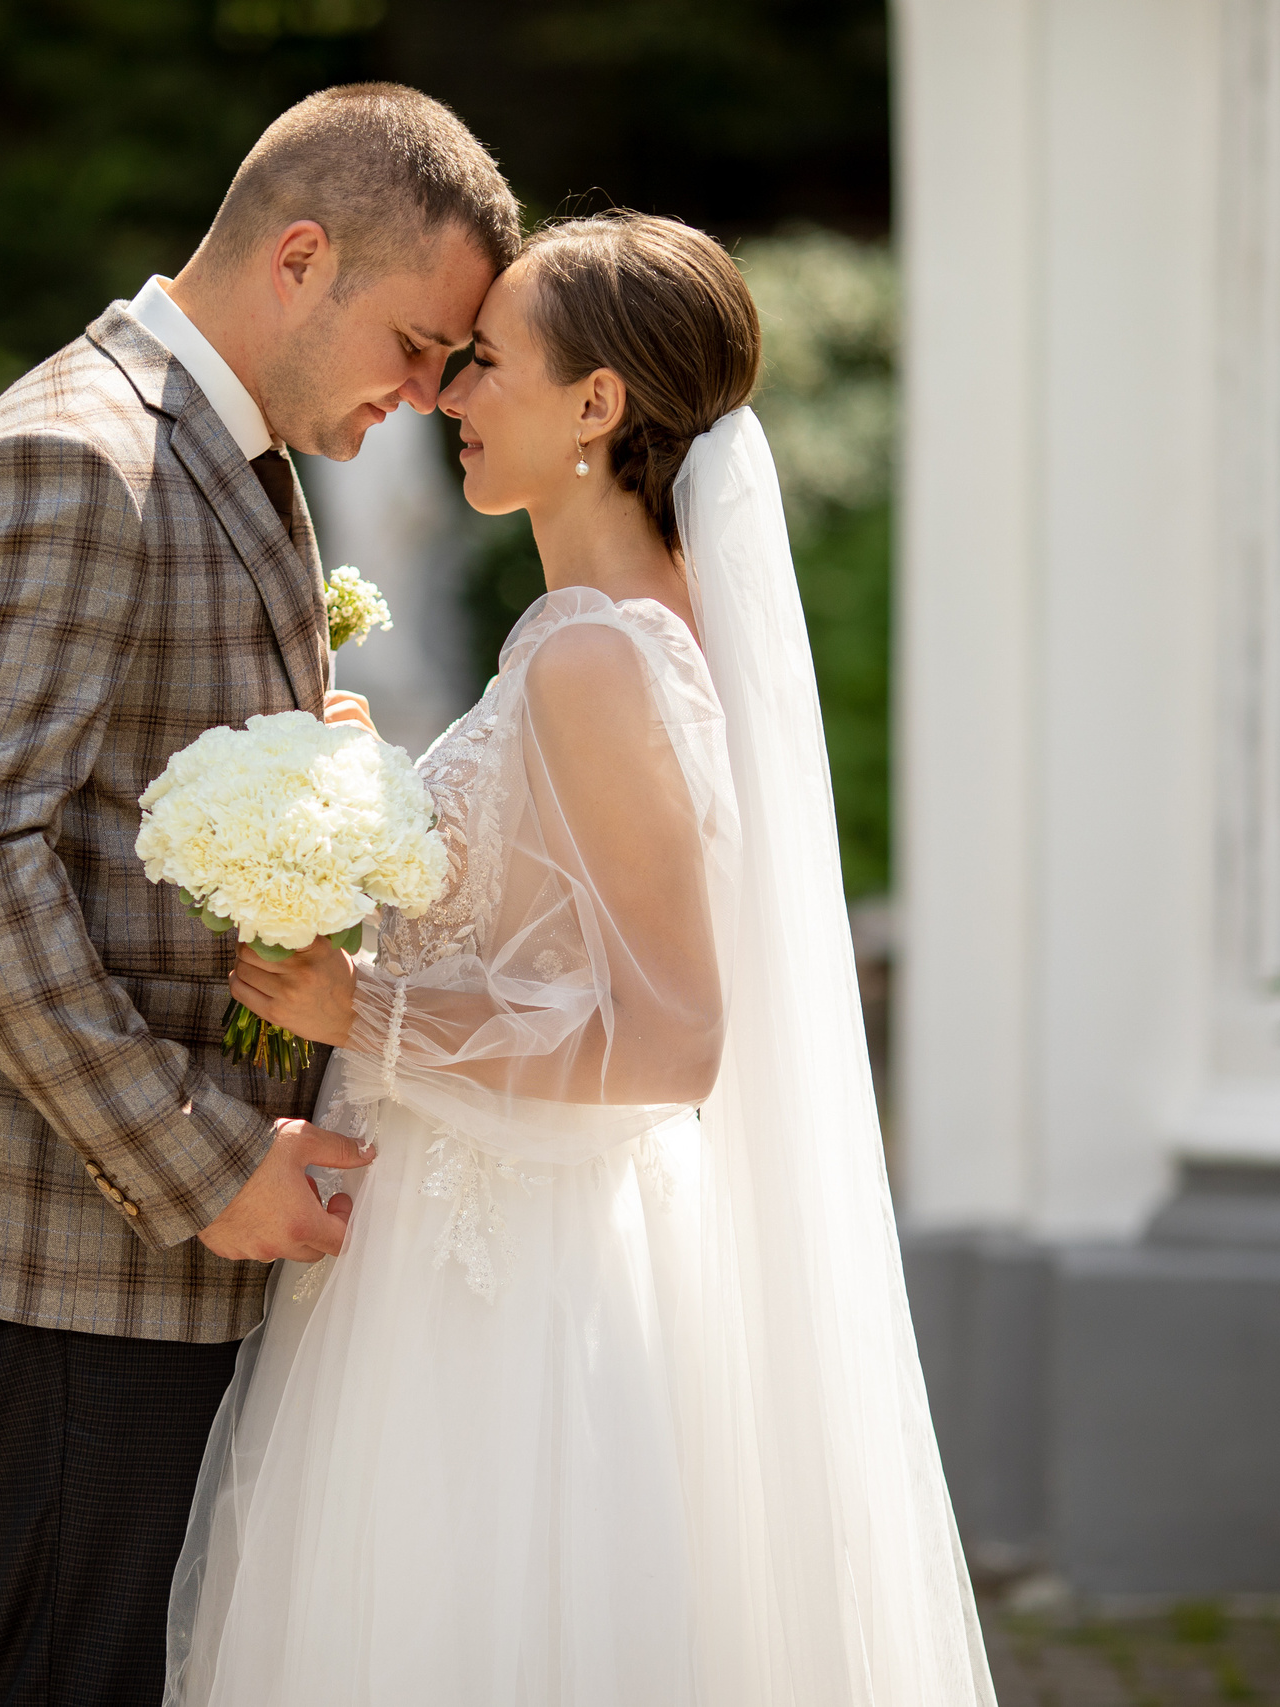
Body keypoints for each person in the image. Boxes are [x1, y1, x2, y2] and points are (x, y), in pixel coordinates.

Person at [170, 212, 999, 1705]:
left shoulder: (594, 656)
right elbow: (562, 917)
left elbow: (676, 1037)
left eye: (486, 365)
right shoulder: (613, 634)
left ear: (598, 407)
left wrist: (366, 1004)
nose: (446, 396)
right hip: (511, 1224)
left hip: (513, 1273)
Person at [0, 84, 518, 1707]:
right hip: (77, 1240)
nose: (428, 397)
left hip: (153, 1242)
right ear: (302, 257)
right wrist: (211, 1164)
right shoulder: (72, 459)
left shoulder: (219, 446)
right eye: (422, 345)